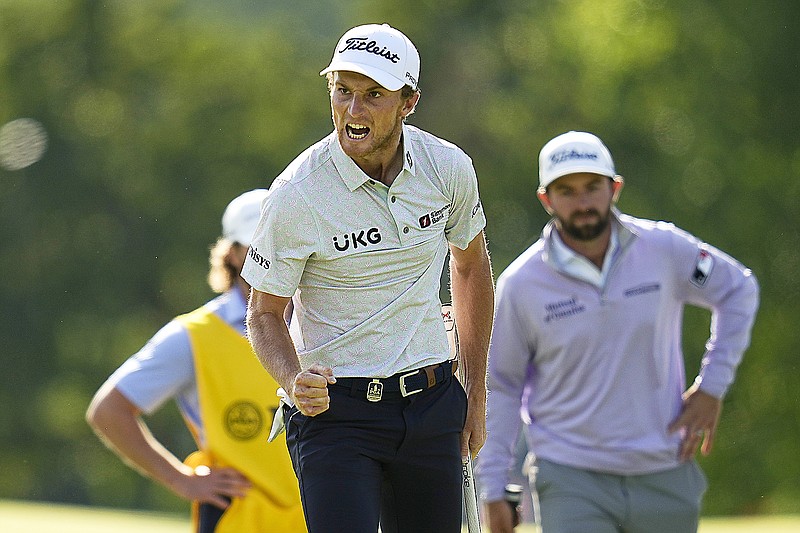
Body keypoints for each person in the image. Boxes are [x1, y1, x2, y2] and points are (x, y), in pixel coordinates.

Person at [241, 23, 495, 533]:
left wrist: (475, 390)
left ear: (408, 102)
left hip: (432, 402)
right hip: (336, 416)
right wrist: (292, 379)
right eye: (343, 92)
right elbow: (264, 314)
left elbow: (469, 268)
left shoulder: (447, 168)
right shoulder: (297, 192)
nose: (353, 112)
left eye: (373, 95)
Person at [476, 131, 759, 533]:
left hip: (664, 470)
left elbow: (738, 289)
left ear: (615, 188)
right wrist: (493, 488)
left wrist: (712, 385)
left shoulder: (663, 249)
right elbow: (502, 386)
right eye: (567, 191)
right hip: (570, 475)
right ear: (546, 199)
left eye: (593, 187)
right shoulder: (522, 284)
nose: (583, 202)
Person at [86, 189, 306, 533]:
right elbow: (108, 411)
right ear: (231, 254)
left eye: (278, 242)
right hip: (240, 523)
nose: (270, 256)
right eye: (256, 246)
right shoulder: (194, 335)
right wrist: (183, 481)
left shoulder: (324, 320)